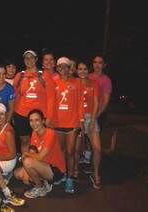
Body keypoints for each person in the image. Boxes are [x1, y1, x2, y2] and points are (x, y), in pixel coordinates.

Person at [14, 109, 66, 198]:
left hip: (56, 170)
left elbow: (40, 156)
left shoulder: (50, 133)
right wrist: (26, 169)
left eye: (37, 120)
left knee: (27, 162)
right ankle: (45, 182)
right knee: (18, 174)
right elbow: (32, 151)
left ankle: (40, 187)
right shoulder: (34, 132)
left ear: (43, 121)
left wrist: (26, 154)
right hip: (43, 165)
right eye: (31, 120)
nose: (34, 123)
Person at [13, 50, 56, 153]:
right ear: (24, 60)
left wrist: (49, 117)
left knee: (39, 143)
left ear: (36, 59)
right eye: (26, 58)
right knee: (24, 142)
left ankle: (37, 166)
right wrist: (14, 114)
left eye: (31, 57)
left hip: (39, 116)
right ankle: (26, 165)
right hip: (21, 114)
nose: (29, 60)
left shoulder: (44, 75)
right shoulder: (20, 76)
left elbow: (51, 97)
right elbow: (16, 96)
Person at [0, 103, 25, 206]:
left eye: (1, 114)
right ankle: (0, 184)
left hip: (8, 161)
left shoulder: (9, 132)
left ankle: (6, 192)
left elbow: (12, 154)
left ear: (6, 115)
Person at [54, 57, 84, 193]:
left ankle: (70, 179)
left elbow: (80, 103)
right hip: (57, 123)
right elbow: (49, 102)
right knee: (60, 152)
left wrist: (81, 121)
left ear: (69, 67)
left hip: (72, 123)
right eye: (60, 67)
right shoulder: (53, 82)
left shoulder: (77, 82)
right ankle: (61, 174)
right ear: (57, 68)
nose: (63, 69)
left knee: (70, 152)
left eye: (65, 66)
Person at [74, 61, 101, 189]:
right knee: (77, 149)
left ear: (88, 71)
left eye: (85, 69)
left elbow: (96, 103)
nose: (82, 71)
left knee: (97, 149)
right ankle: (74, 171)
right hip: (77, 118)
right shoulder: (73, 83)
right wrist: (80, 122)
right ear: (76, 71)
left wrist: (92, 121)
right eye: (80, 69)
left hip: (91, 117)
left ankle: (95, 174)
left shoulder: (94, 84)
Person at [88, 54, 112, 131]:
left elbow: (105, 102)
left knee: (94, 140)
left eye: (100, 62)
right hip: (86, 113)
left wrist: (95, 116)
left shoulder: (106, 80)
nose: (97, 65)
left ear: (104, 65)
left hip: (99, 114)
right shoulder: (87, 76)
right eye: (95, 62)